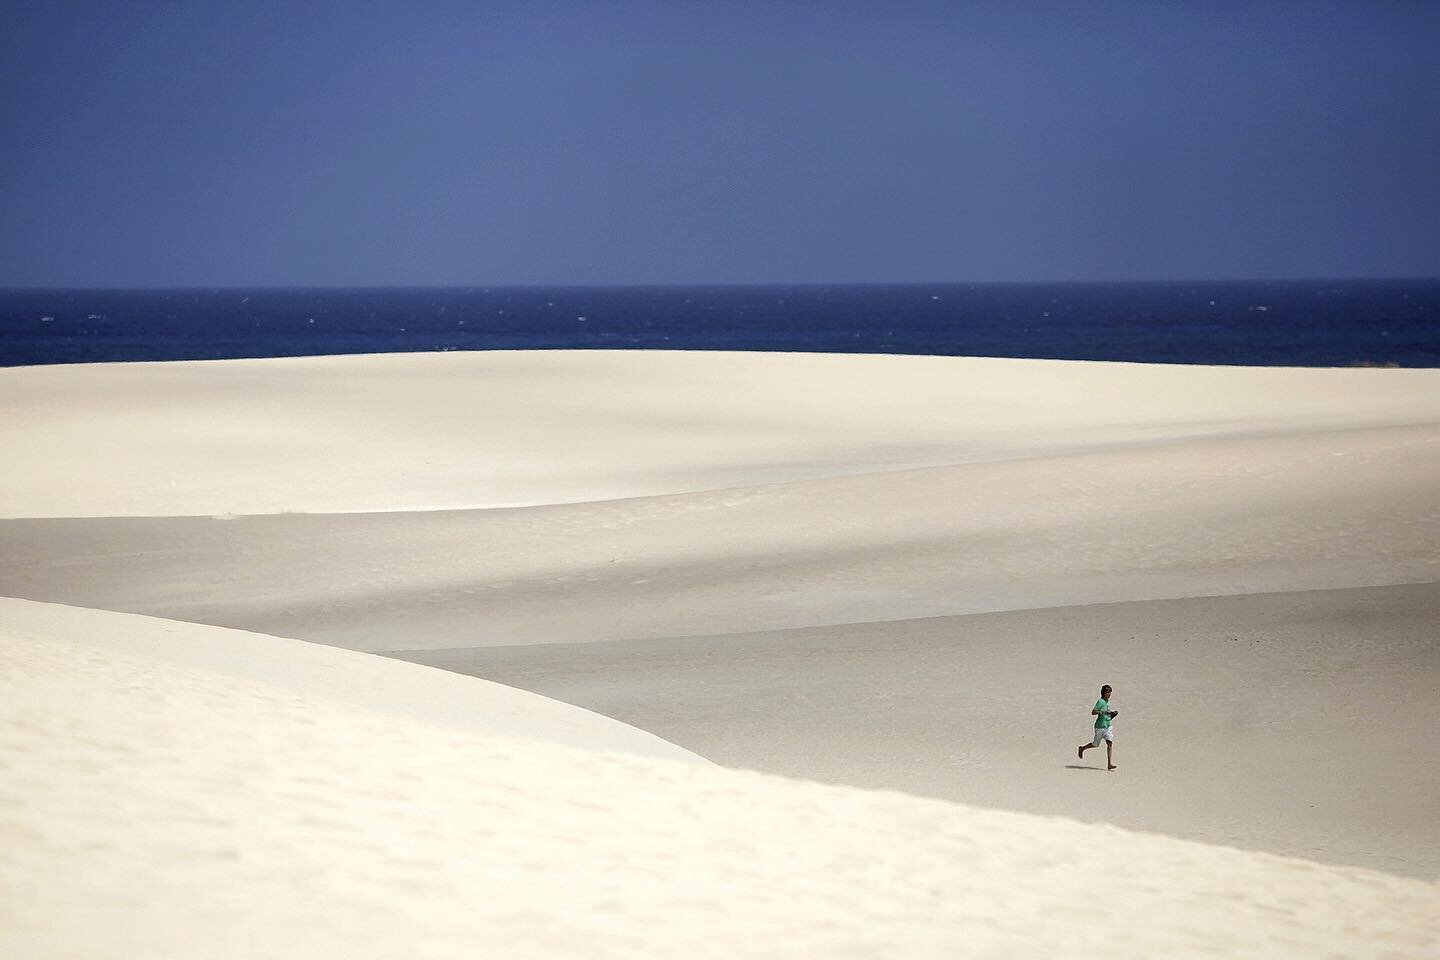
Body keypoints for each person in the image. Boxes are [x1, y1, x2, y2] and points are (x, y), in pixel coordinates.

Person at [1078, 683, 1118, 770]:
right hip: (1099, 727)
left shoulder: (1107, 702)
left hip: (1107, 726)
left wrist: (1112, 713)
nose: (1109, 694)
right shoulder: (1100, 701)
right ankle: (1082, 748)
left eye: (1110, 692)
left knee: (1109, 743)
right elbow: (1093, 712)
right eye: (1107, 692)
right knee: (1095, 744)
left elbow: (1106, 711)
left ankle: (1109, 764)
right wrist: (1101, 712)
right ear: (1103, 693)